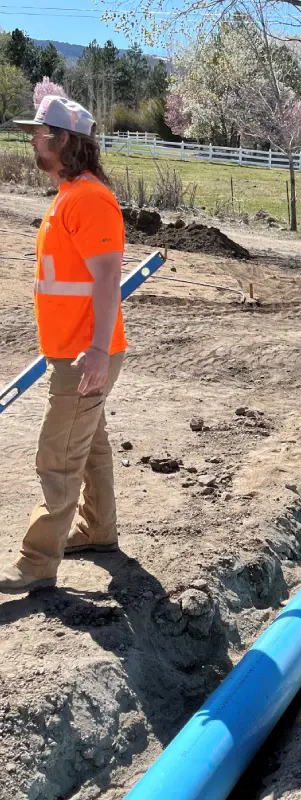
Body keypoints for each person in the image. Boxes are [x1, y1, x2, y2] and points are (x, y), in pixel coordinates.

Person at [0, 96, 127, 594]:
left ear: (65, 140)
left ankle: (36, 563)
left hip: (84, 355)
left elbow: (107, 277)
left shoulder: (89, 199)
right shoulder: (70, 194)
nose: (32, 139)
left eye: (39, 133)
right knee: (89, 446)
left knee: (57, 455)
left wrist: (96, 350)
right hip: (75, 352)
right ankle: (98, 530)